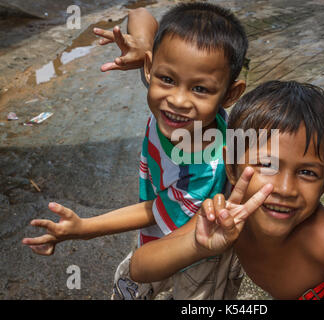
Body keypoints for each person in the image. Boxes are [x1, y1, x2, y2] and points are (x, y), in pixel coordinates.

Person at [22, 2, 248, 300]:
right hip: (166, 225)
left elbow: (152, 212)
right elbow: (139, 13)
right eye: (166, 79)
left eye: (200, 89)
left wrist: (83, 229)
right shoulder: (170, 96)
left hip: (200, 257)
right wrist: (141, 44)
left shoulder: (203, 167)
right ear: (150, 68)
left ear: (230, 95)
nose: (178, 100)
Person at [129, 80, 324, 300]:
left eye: (307, 172)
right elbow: (140, 268)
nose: (286, 188)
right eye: (268, 165)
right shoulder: (226, 215)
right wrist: (198, 246)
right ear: (232, 169)